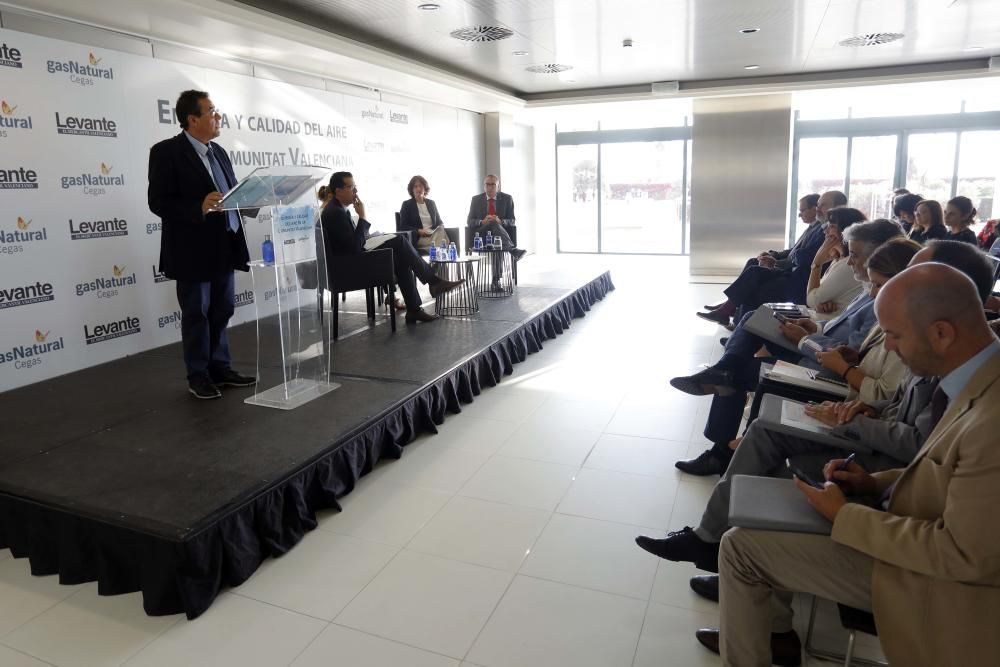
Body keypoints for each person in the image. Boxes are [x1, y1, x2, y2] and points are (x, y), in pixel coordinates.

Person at [708, 263, 1000, 667]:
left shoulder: (992, 418)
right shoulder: (977, 377)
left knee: (741, 548)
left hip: (935, 583)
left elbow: (963, 556)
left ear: (941, 333)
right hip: (903, 522)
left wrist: (846, 517)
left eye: (895, 336)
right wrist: (873, 483)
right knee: (760, 516)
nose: (890, 349)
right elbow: (945, 471)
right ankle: (774, 637)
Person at [672, 220, 901, 476]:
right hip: (817, 341)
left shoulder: (882, 298)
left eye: (855, 255)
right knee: (755, 317)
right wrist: (815, 326)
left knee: (739, 374)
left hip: (821, 364)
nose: (850, 260)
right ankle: (724, 380)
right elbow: (839, 326)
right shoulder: (870, 289)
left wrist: (806, 337)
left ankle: (722, 445)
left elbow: (842, 341)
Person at [148, 89, 257, 400]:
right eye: (211, 112)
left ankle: (220, 367)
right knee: (197, 313)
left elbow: (229, 193)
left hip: (225, 244)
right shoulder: (166, 152)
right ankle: (198, 375)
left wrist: (247, 201)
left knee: (223, 309)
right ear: (192, 119)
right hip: (191, 250)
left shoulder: (219, 151)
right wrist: (198, 206)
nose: (217, 117)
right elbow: (158, 202)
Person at [321, 171, 462, 324]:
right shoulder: (335, 213)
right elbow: (354, 248)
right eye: (351, 187)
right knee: (400, 241)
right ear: (338, 191)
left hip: (353, 260)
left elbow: (352, 242)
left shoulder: (338, 209)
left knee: (402, 257)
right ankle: (432, 282)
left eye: (355, 186)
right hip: (351, 268)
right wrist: (362, 217)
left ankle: (414, 309)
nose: (356, 191)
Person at [698, 192, 843, 328]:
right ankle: (731, 311)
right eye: (818, 204)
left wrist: (775, 262)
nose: (818, 208)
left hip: (799, 280)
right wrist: (774, 255)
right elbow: (795, 252)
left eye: (822, 205)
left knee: (755, 281)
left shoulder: (829, 231)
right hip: (793, 272)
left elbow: (805, 257)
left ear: (836, 207)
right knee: (753, 265)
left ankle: (733, 316)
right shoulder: (818, 227)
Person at [804, 207, 866, 320]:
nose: (825, 231)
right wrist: (819, 304)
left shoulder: (848, 264)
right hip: (823, 318)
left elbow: (811, 300)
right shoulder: (838, 259)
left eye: (832, 226)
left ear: (846, 231)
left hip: (828, 326)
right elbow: (816, 301)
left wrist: (816, 264)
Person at [466, 174, 526, 261]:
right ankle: (512, 250)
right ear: (484, 186)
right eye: (487, 184)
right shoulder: (476, 200)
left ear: (498, 186)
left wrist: (500, 221)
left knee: (495, 226)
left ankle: (497, 274)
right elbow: (469, 221)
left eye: (493, 184)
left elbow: (512, 220)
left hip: (500, 234)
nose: (490, 187)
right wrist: (482, 222)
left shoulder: (507, 199)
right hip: (482, 235)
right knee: (493, 224)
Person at [398, 175, 451, 251]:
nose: (418, 189)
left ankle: (435, 251)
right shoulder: (407, 204)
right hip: (420, 237)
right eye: (415, 186)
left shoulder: (431, 203)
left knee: (441, 230)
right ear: (412, 190)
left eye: (420, 186)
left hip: (433, 235)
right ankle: (440, 252)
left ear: (425, 189)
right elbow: (403, 226)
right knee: (443, 239)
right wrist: (418, 231)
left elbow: (439, 222)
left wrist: (438, 227)